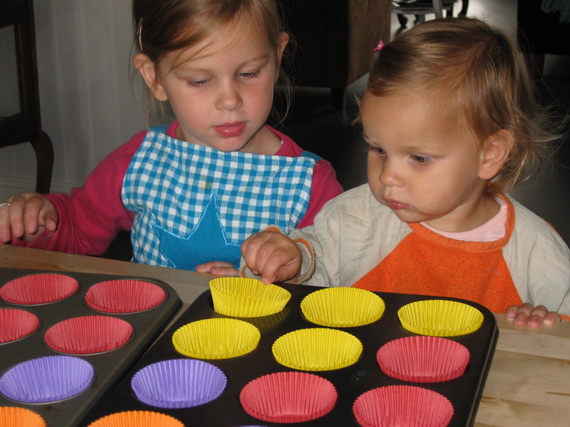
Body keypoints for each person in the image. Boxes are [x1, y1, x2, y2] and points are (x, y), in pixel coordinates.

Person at [239, 17, 570, 328]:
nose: (387, 177)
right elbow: (315, 259)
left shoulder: (535, 252)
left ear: (490, 155)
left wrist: (544, 325)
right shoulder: (356, 216)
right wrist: (291, 258)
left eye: (420, 158)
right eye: (379, 149)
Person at [0, 0, 343, 274]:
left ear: (277, 57)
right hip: (153, 341)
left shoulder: (309, 183)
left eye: (249, 73)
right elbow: (77, 227)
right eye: (198, 80)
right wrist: (39, 222)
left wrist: (293, 266)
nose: (229, 101)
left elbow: (340, 271)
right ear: (155, 78)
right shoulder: (141, 160)